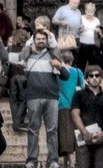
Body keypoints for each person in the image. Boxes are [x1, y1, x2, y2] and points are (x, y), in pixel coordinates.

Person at [22, 30, 64, 168]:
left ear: (47, 40)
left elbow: (66, 76)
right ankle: (31, 160)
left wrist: (59, 66)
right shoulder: (27, 55)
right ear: (33, 40)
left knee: (52, 130)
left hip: (52, 97)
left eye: (43, 39)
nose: (40, 41)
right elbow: (17, 59)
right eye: (38, 39)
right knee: (33, 129)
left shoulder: (53, 54)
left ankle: (53, 160)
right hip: (33, 97)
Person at [72, 61, 103, 168]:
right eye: (91, 75)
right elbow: (75, 115)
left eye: (97, 75)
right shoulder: (78, 94)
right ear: (87, 78)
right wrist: (85, 133)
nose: (94, 78)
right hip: (82, 136)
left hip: (101, 139)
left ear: (101, 78)